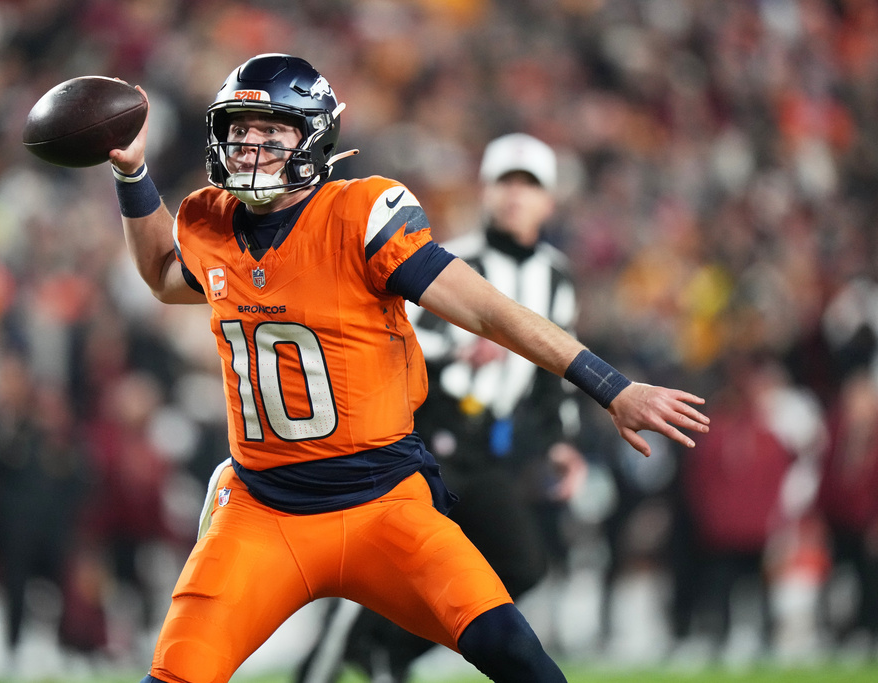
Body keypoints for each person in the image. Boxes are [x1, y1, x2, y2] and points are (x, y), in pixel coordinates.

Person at [107, 53, 709, 683]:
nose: (249, 147)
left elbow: (489, 313)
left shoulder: (360, 214)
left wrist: (610, 387)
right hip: (263, 511)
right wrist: (132, 173)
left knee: (521, 660)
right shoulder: (211, 221)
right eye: (239, 130)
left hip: (383, 506)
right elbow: (160, 276)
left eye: (272, 132)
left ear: (312, 136)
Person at [294, 133, 588, 683]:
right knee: (383, 567)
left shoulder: (556, 275)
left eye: (530, 186)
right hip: (425, 437)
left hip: (488, 448)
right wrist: (458, 349)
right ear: (485, 191)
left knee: (520, 565)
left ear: (549, 201)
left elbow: (556, 370)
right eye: (507, 182)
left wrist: (561, 441)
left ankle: (389, 651)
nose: (516, 197)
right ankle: (322, 669)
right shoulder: (451, 258)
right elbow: (392, 334)